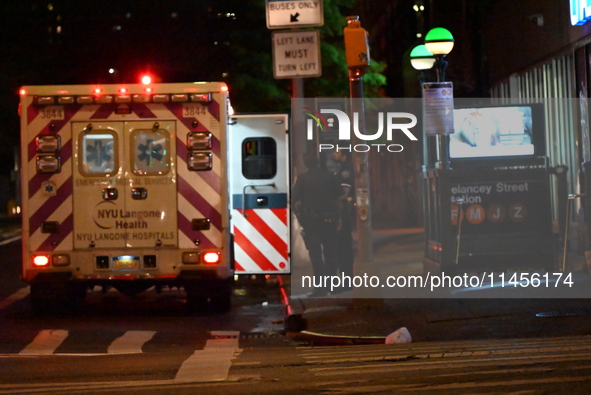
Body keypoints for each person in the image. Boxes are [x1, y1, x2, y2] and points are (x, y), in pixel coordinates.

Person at [292, 152, 342, 297]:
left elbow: (294, 200)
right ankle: (332, 286)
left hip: (311, 222)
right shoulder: (329, 177)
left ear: (306, 163)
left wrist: (301, 218)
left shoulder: (302, 178)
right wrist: (338, 218)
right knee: (331, 253)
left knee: (315, 255)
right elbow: (338, 199)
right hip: (329, 220)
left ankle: (320, 288)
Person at [332, 150, 355, 290]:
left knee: (343, 248)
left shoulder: (346, 170)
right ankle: (346, 281)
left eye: (337, 152)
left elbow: (344, 194)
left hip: (344, 213)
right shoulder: (341, 169)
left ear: (344, 155)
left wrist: (330, 200)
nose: (334, 154)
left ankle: (347, 282)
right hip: (343, 213)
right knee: (342, 248)